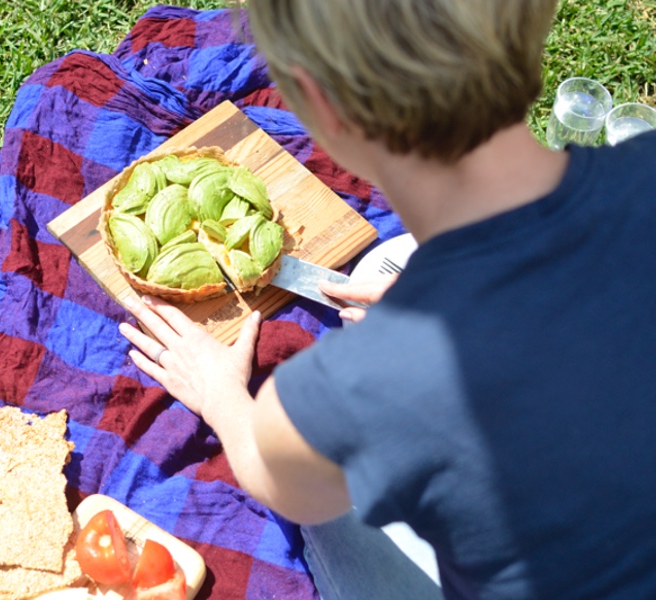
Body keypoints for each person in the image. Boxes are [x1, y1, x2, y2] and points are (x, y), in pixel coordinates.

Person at [119, 0, 656, 598]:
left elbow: (272, 475)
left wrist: (221, 397)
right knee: (385, 262)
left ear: (321, 105)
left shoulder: (353, 388)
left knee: (329, 523)